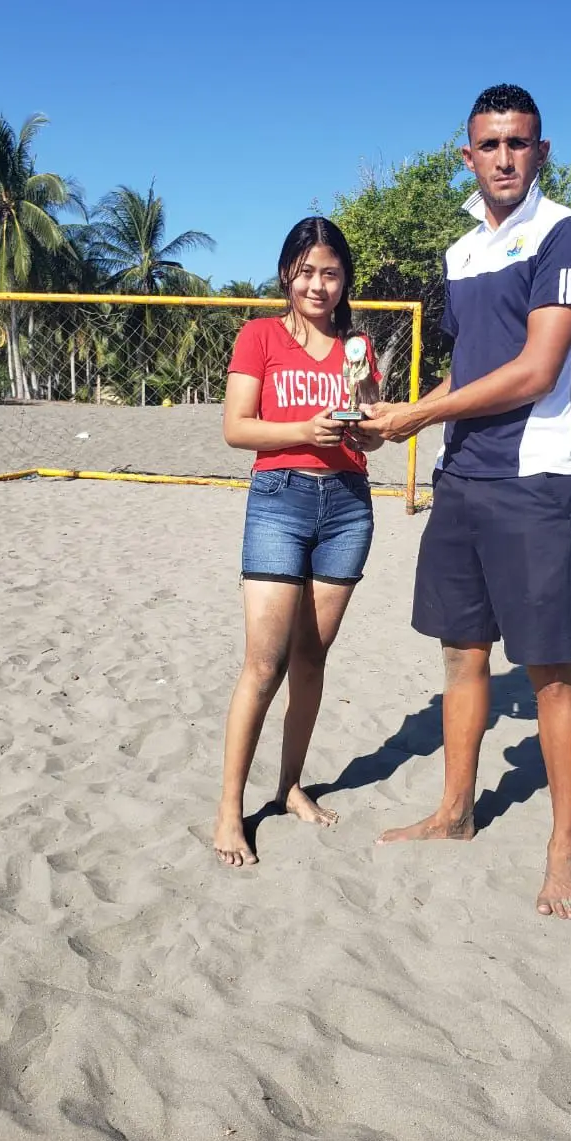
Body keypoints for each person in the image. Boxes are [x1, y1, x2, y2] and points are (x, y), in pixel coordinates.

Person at [359, 84, 571, 919]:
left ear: (541, 151)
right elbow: (466, 372)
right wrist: (397, 418)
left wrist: (417, 417)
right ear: (467, 156)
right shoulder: (462, 251)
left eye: (519, 142)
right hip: (461, 478)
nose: (505, 158)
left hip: (535, 481)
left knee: (550, 670)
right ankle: (455, 812)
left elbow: (537, 371)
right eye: (490, 145)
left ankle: (563, 851)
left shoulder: (565, 233)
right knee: (462, 656)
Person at [213, 216, 382, 866]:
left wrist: (365, 424)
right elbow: (237, 428)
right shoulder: (260, 336)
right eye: (307, 271)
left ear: (344, 281)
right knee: (264, 664)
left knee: (311, 660)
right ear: (288, 273)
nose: (318, 284)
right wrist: (302, 432)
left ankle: (289, 788)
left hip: (347, 507)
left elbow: (370, 433)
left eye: (330, 273)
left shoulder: (357, 345)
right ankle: (229, 810)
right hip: (279, 502)